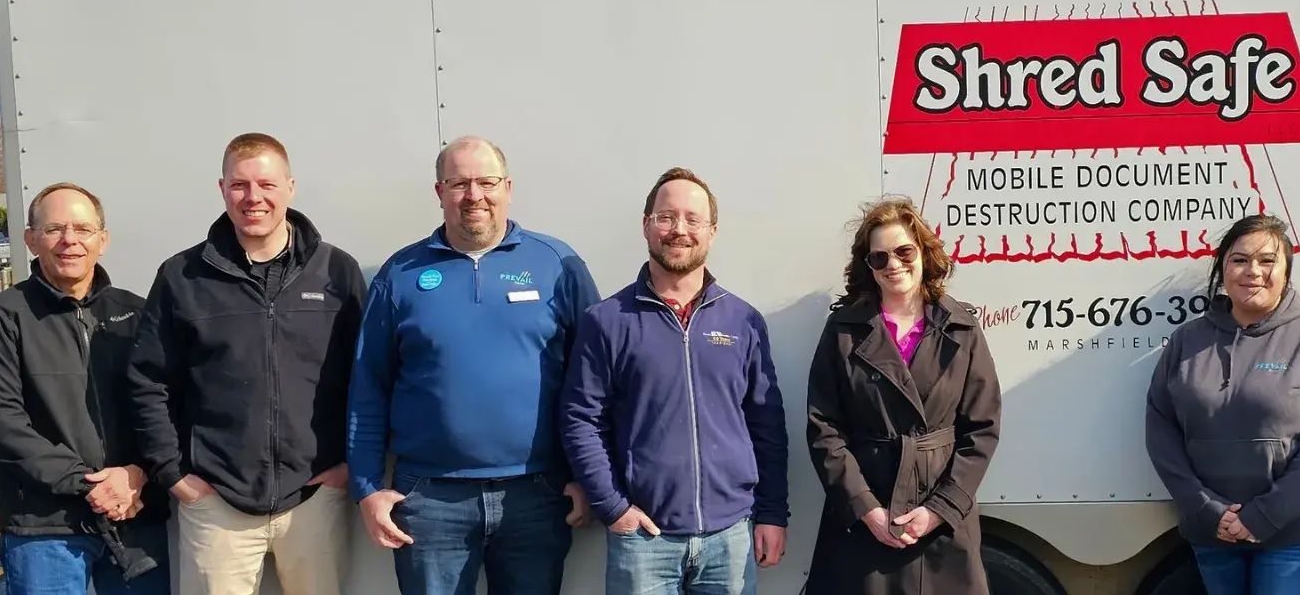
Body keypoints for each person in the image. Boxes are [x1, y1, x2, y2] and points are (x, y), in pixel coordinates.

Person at [347, 136, 598, 595]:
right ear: (440, 192)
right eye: (459, 183)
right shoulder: (400, 273)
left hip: (538, 493)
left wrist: (587, 477)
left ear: (508, 187)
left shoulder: (557, 264)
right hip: (428, 498)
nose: (474, 196)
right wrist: (366, 487)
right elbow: (369, 386)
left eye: (486, 182)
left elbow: (594, 382)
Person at [126, 132, 366, 595]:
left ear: (290, 188)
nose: (253, 197)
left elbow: (368, 376)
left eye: (266, 184)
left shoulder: (337, 272)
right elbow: (148, 381)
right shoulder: (182, 276)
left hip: (314, 497)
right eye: (239, 185)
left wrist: (350, 465)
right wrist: (174, 474)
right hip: (216, 502)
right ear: (222, 189)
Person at [559, 167, 789, 594]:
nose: (679, 230)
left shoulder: (743, 321)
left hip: (730, 538)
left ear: (712, 231)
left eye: (692, 219)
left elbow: (767, 426)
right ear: (646, 226)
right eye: (666, 217)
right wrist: (613, 508)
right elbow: (580, 420)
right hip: (643, 539)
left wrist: (773, 513)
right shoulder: (608, 321)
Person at [0, 183, 169, 593]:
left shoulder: (136, 313)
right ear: (30, 239)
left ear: (103, 240)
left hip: (134, 517)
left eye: (83, 228)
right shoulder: (2, 319)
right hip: (44, 528)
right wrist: (88, 484)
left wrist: (138, 473)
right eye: (54, 228)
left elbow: (164, 406)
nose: (69, 240)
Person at [1145, 213, 1300, 595]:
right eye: (1240, 259)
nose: (1253, 271)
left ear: (1287, 272)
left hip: (1297, 537)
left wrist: (1266, 514)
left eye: (1267, 261)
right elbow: (1161, 429)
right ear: (1223, 267)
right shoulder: (1186, 341)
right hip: (1215, 533)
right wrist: (1205, 509)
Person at [802, 197, 1004, 594]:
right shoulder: (843, 330)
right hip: (864, 521)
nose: (893, 264)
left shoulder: (961, 328)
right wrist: (866, 509)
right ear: (869, 268)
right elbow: (823, 428)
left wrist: (937, 511)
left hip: (941, 518)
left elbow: (982, 429)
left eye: (903, 251)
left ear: (923, 253)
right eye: (879, 258)